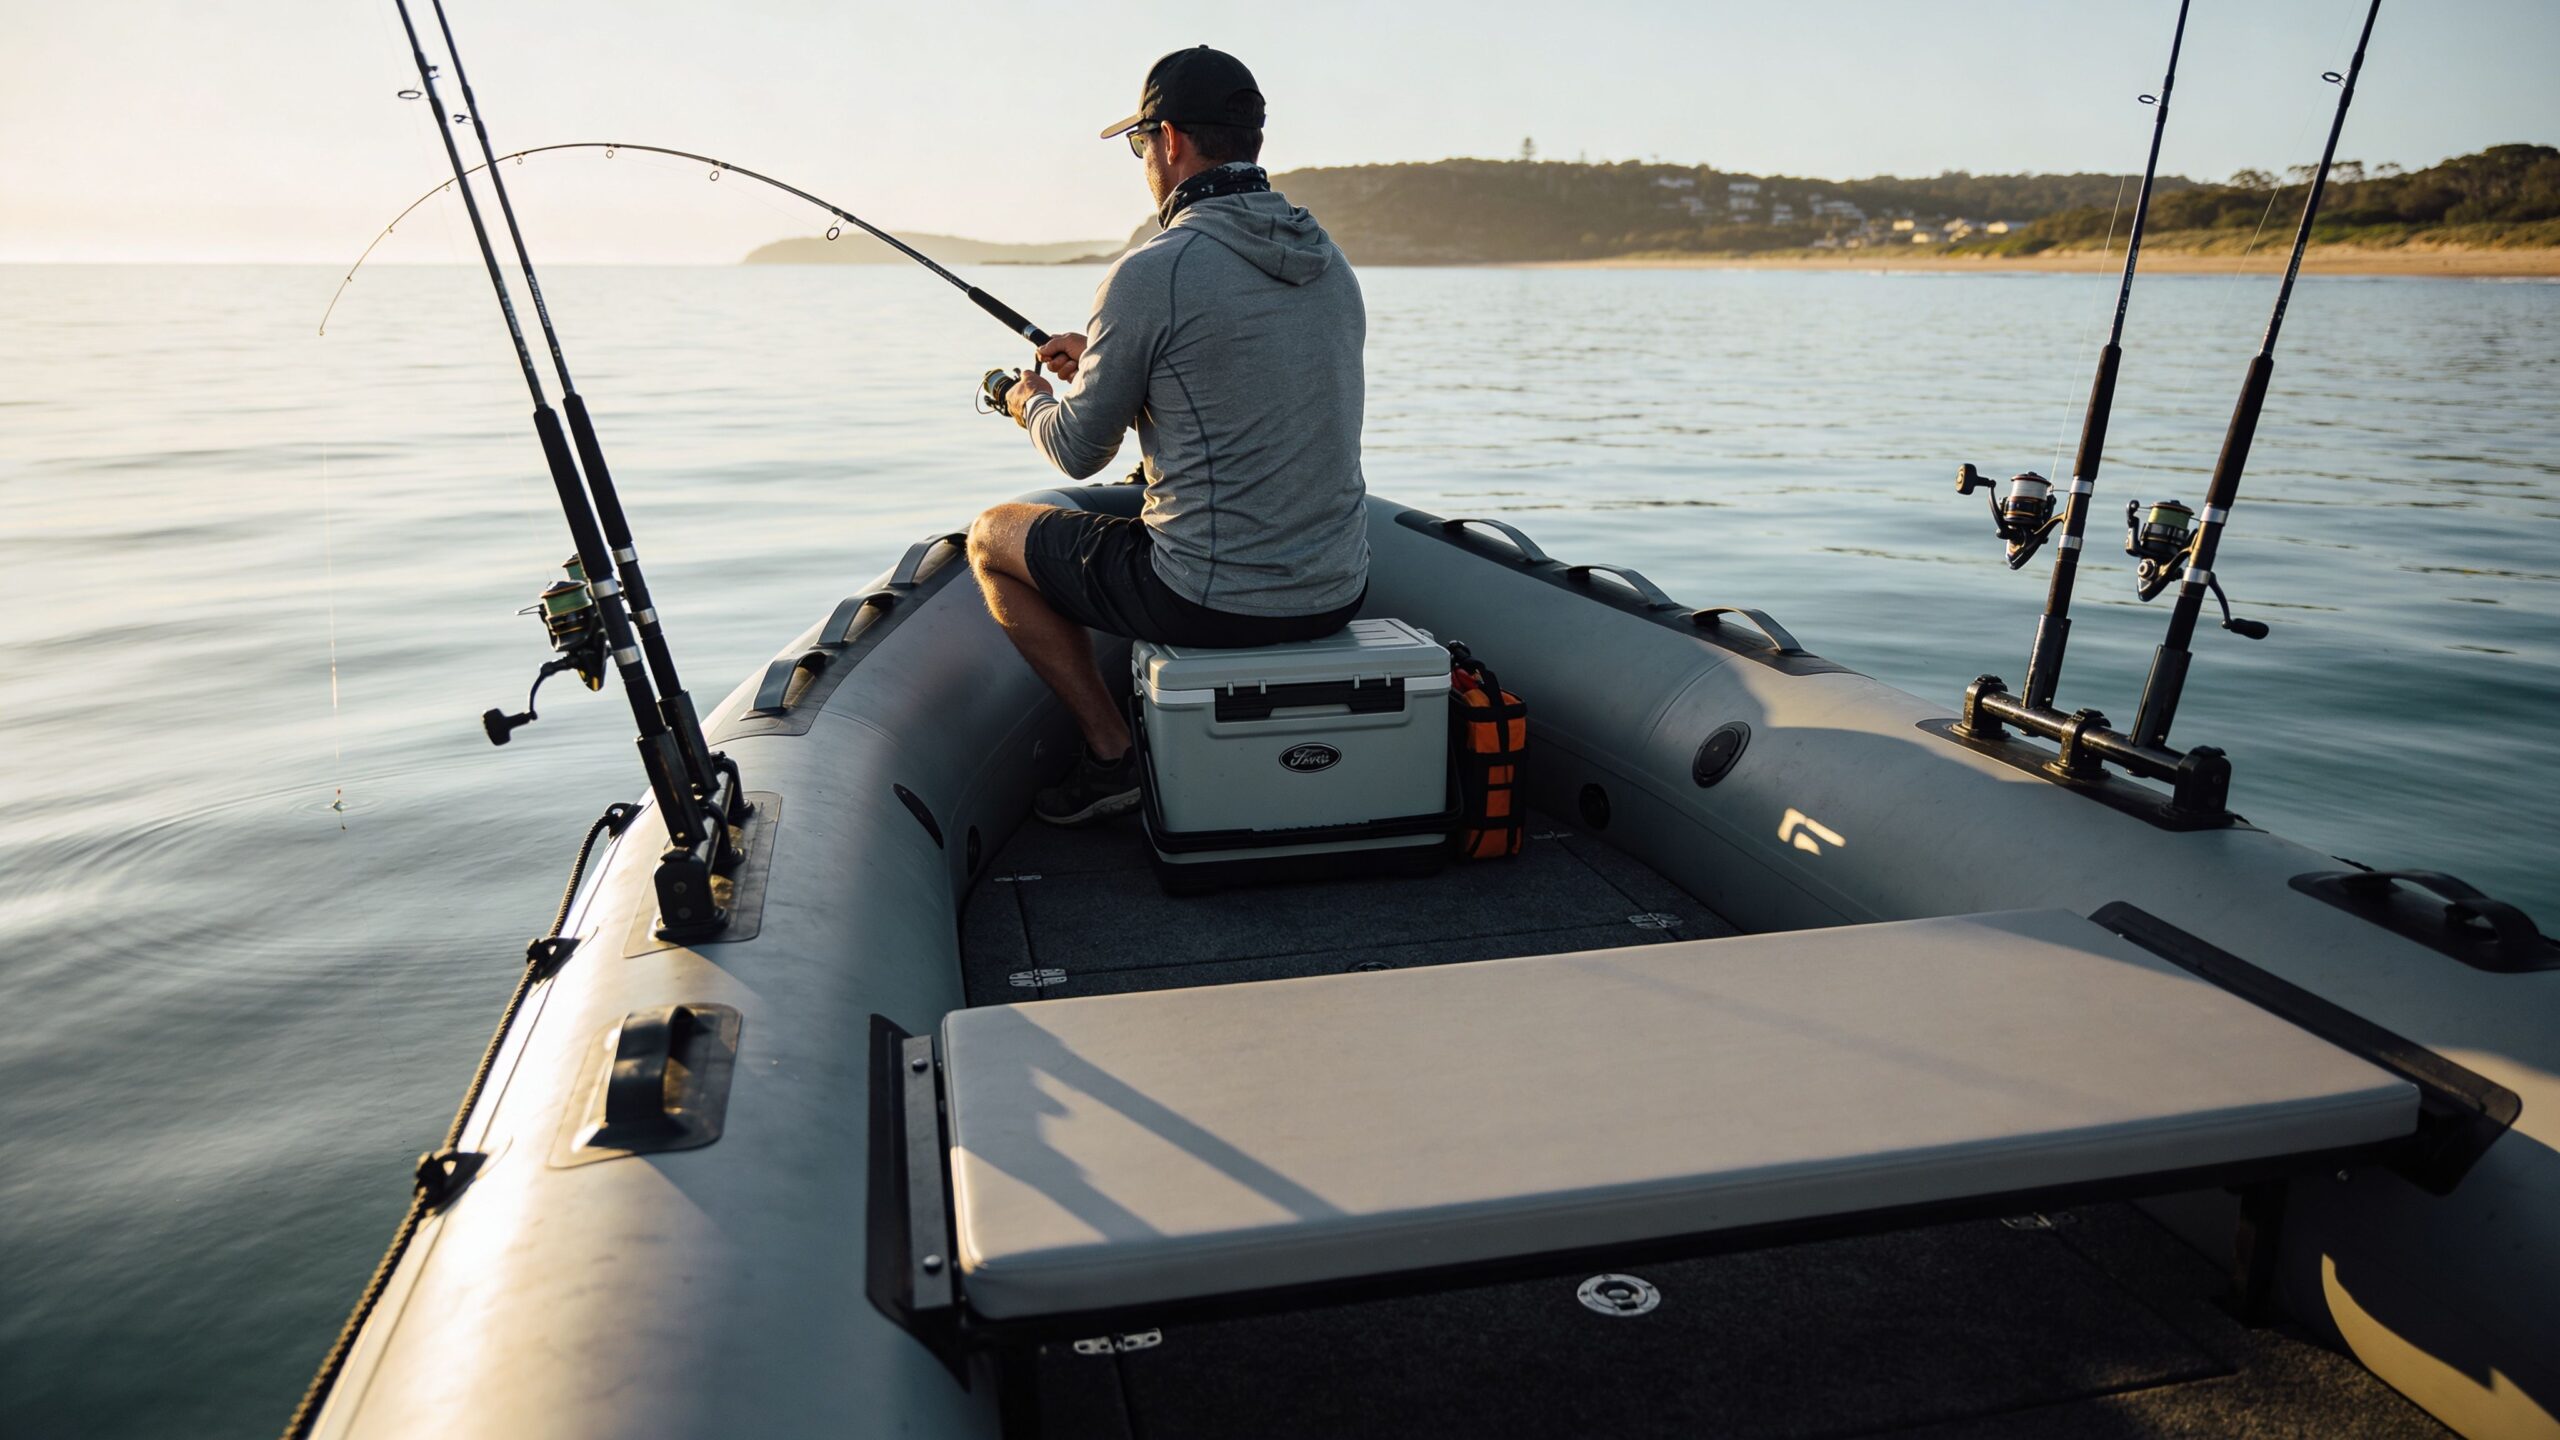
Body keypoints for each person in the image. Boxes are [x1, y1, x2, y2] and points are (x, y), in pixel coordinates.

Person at [966, 45, 1370, 826]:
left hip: (1213, 596)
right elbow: (1240, 374)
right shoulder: (1328, 258)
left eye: (1140, 144)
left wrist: (1027, 401)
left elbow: (1080, 450)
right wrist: (1110, 363)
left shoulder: (1152, 269)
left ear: (1172, 140)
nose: (1143, 160)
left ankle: (1110, 756)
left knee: (993, 537)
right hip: (1337, 589)